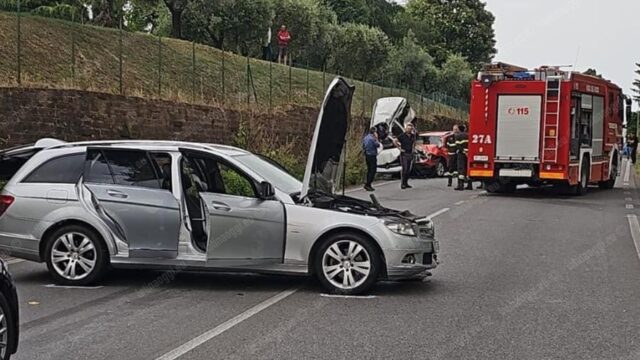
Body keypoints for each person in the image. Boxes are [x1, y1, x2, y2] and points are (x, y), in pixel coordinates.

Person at [394, 123, 416, 189]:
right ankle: (403, 184)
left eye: (410, 129)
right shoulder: (402, 135)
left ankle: (406, 183)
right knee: (405, 169)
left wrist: (413, 150)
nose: (409, 130)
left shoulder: (413, 136)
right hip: (404, 154)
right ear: (405, 129)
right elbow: (395, 141)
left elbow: (414, 143)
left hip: (410, 153)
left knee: (408, 169)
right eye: (408, 128)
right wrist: (399, 148)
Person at [363, 127, 380, 192]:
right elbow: (377, 145)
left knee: (369, 169)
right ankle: (368, 184)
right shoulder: (373, 139)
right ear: (374, 132)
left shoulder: (366, 137)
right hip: (372, 155)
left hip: (367, 155)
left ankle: (368, 183)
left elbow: (363, 145)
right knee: (373, 170)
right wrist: (377, 138)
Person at [455, 124, 472, 191]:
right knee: (467, 168)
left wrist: (463, 151)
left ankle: (460, 185)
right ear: (464, 129)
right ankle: (469, 185)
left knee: (461, 169)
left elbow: (458, 146)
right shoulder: (468, 135)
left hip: (461, 154)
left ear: (459, 129)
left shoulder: (457, 136)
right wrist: (467, 152)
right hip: (468, 154)